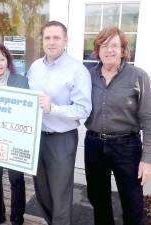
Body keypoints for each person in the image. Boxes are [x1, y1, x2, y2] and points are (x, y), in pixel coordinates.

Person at [27, 20, 92, 225]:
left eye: (56, 37)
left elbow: (83, 109)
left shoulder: (77, 70)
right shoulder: (35, 67)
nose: (51, 42)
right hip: (37, 138)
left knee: (61, 194)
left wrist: (53, 108)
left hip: (62, 140)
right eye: (47, 37)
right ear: (42, 41)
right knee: (42, 191)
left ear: (65, 40)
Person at [84, 27, 151, 225]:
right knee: (98, 199)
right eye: (104, 45)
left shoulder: (138, 76)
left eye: (114, 45)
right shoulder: (88, 76)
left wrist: (147, 159)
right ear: (97, 49)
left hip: (127, 147)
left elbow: (148, 118)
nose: (109, 50)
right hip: (94, 144)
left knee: (133, 203)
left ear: (123, 50)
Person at [0, 43, 28, 225]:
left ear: (7, 61)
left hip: (14, 139)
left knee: (16, 179)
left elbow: (27, 113)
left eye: (2, 59)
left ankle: (17, 217)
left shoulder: (21, 81)